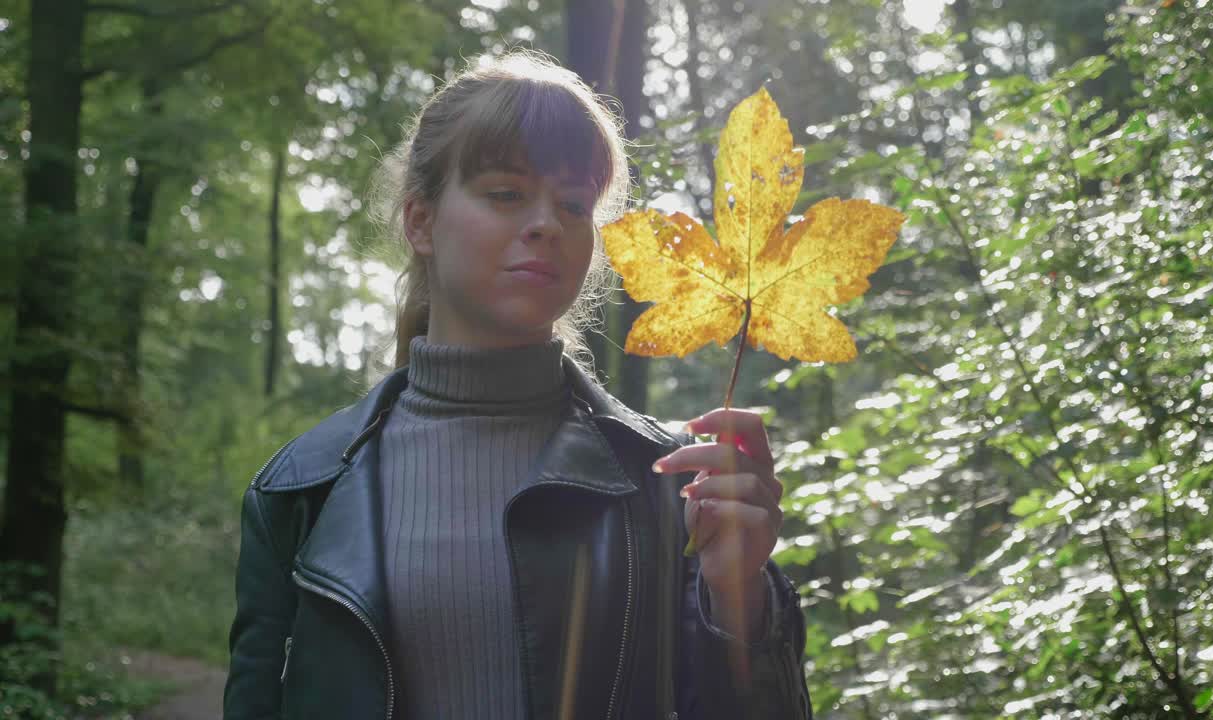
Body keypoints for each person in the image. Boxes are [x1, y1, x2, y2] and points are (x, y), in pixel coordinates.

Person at [223, 50, 812, 720]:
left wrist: (739, 600)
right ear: (421, 222)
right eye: (505, 193)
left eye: (573, 202)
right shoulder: (301, 490)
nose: (546, 224)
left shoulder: (670, 481)